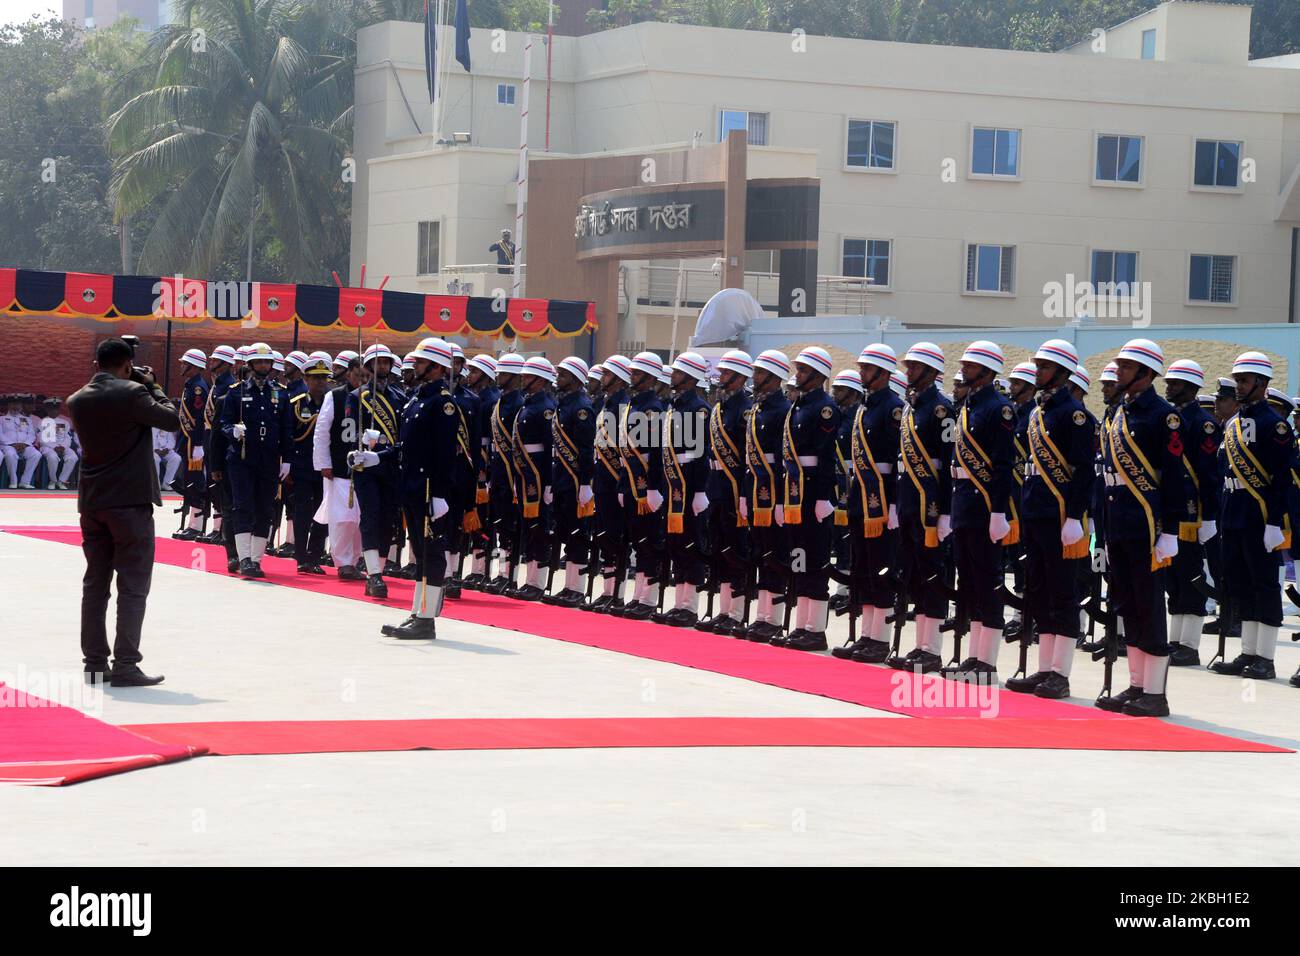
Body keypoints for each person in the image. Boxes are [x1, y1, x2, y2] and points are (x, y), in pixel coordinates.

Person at [66, 337, 180, 687]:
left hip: (93, 502)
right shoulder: (133, 394)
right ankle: (127, 663)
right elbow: (173, 420)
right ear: (128, 365)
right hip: (129, 504)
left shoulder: (77, 400)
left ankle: (95, 663)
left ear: (97, 364)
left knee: (95, 584)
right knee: (132, 585)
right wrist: (153, 386)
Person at [1096, 339, 1190, 717]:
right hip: (1119, 522)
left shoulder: (1161, 416)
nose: (1117, 371)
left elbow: (1173, 478)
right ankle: (1136, 684)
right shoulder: (1120, 411)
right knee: (1127, 603)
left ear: (1146, 373)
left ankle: (1155, 692)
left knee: (1149, 605)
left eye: (1125, 366)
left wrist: (1170, 530)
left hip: (1148, 526)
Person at [1210, 351, 1292, 682]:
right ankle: (1248, 651)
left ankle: (1266, 657)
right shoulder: (1233, 425)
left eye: (1245, 381)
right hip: (1233, 516)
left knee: (1264, 586)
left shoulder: (1275, 425)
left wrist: (1275, 522)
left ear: (1262, 383)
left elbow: (1281, 479)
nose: (1239, 386)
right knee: (1240, 585)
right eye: (1238, 380)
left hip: (1259, 519)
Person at [381, 338, 460, 639]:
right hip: (412, 487)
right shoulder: (417, 400)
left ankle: (427, 620)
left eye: (420, 362)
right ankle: (417, 612)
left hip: (429, 488)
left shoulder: (443, 404)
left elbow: (444, 453)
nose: (413, 365)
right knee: (419, 550)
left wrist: (439, 493)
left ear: (436, 368)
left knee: (431, 552)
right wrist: (378, 455)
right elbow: (407, 447)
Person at [946, 341, 1016, 681]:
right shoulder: (968, 406)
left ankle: (986, 662)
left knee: (988, 583)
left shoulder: (997, 409)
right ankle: (973, 658)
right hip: (964, 505)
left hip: (985, 507)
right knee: (969, 583)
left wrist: (998, 512)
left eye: (970, 366)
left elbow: (1002, 466)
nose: (964, 370)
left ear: (987, 371)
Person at [834, 344, 904, 664]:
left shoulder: (892, 408)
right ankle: (865, 635)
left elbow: (897, 461)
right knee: (862, 568)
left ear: (883, 373)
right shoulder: (864, 406)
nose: (861, 372)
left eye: (866, 368)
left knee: (880, 569)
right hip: (861, 498)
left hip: (882, 499)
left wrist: (893, 505)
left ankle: (880, 639)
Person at [886, 342, 955, 671]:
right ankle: (919, 646)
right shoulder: (911, 407)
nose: (908, 371)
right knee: (913, 575)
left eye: (914, 366)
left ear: (931, 372)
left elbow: (947, 462)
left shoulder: (942, 410)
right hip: (910, 502)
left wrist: (946, 510)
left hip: (931, 505)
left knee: (932, 577)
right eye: (908, 365)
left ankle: (932, 649)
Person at [770, 346, 841, 651]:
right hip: (795, 492)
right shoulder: (798, 406)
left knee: (816, 561)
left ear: (817, 375)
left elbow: (827, 458)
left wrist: (824, 497)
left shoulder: (825, 408)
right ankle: (802, 625)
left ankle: (816, 629)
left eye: (802, 370)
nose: (797, 375)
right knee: (798, 559)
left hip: (814, 492)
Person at [1162, 360, 1222, 666]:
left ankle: (1190, 644)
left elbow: (1209, 475)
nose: (1168, 386)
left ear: (1191, 386)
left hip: (1193, 512)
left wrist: (1209, 516)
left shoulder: (1203, 423)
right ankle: (1176, 640)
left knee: (1192, 576)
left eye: (1175, 382)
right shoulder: (1169, 417)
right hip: (1171, 509)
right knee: (1173, 578)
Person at [220, 341, 294, 577]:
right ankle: (243, 558)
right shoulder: (236, 391)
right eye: (259, 362)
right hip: (242, 458)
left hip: (269, 458)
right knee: (243, 506)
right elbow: (223, 424)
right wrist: (233, 431)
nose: (263, 365)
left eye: (267, 362)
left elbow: (286, 428)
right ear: (250, 364)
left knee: (265, 508)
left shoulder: (281, 393)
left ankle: (256, 558)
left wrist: (287, 459)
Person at [654, 351, 712, 626]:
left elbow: (700, 453)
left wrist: (700, 490)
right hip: (672, 481)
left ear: (690, 377)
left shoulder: (697, 408)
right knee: (676, 544)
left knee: (690, 542)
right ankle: (680, 602)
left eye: (677, 372)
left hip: (689, 482)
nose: (672, 376)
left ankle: (689, 606)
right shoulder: (674, 406)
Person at [741, 350, 793, 641]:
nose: (755, 377)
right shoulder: (758, 409)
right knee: (761, 553)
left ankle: (773, 618)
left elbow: (787, 460)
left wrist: (783, 501)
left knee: (775, 554)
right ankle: (762, 616)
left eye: (760, 373)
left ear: (774, 377)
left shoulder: (783, 409)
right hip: (756, 491)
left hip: (774, 492)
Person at [613, 352, 669, 620]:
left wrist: (654, 487)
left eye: (636, 373)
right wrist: (624, 486)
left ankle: (648, 598)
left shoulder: (654, 408)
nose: (631, 377)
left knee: (649, 542)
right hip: (632, 483)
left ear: (649, 378)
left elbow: (657, 452)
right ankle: (638, 596)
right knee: (638, 540)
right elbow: (625, 453)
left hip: (647, 484)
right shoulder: (633, 407)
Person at [349, 343, 407, 597]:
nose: (383, 366)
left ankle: (380, 570)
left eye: (386, 362)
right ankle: (373, 575)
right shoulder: (357, 396)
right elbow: (349, 432)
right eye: (378, 362)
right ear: (369, 366)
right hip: (366, 468)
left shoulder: (400, 397)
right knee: (370, 517)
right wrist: (361, 444)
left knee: (387, 520)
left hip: (390, 465)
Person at [544, 356, 597, 608]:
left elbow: (586, 450)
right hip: (562, 478)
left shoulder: (582, 407)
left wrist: (585, 483)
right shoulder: (563, 404)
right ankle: (567, 586)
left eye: (563, 375)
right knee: (565, 530)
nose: (558, 379)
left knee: (577, 534)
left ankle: (575, 589)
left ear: (575, 379)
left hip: (576, 481)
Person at [507, 357, 559, 600]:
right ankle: (529, 579)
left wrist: (548, 482)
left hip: (538, 474)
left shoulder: (546, 407)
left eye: (528, 377)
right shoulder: (529, 404)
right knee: (527, 526)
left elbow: (551, 449)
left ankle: (537, 583)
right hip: (525, 472)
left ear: (541, 381)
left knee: (539, 526)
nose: (524, 380)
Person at [587, 356, 634, 612]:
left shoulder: (624, 407)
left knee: (617, 538)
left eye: (606, 374)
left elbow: (629, 450)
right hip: (602, 480)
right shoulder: (605, 405)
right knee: (605, 536)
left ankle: (616, 592)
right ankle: (607, 591)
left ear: (618, 378)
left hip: (616, 481)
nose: (602, 378)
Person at [313, 355, 366, 579]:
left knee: (361, 518)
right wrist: (323, 462)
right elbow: (322, 431)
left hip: (367, 467)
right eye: (358, 375)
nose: (362, 379)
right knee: (342, 517)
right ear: (348, 373)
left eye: (366, 376)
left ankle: (356, 559)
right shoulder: (334, 397)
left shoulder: (374, 398)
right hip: (339, 466)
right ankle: (343, 562)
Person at [483, 353, 527, 594]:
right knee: (500, 524)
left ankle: (509, 574)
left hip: (513, 474)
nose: (497, 376)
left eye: (502, 372)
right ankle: (501, 572)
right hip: (499, 472)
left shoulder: (519, 403)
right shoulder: (501, 401)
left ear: (513, 376)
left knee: (511, 526)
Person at [289, 360, 333, 574]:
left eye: (324, 377)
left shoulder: (332, 402)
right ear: (306, 379)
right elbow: (288, 437)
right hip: (302, 467)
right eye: (316, 377)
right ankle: (301, 556)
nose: (320, 382)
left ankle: (315, 555)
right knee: (303, 513)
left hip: (325, 467)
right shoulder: (296, 404)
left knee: (322, 514)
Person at [461, 354, 500, 588]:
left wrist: (484, 468)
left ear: (485, 375)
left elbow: (490, 439)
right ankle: (477, 569)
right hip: (479, 457)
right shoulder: (480, 397)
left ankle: (482, 569)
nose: (470, 375)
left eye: (474, 372)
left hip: (486, 463)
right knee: (477, 519)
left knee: (484, 520)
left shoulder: (489, 400)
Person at [171, 348, 209, 539]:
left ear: (194, 366)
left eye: (185, 363)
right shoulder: (191, 385)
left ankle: (196, 525)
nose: (182, 365)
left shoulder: (198, 388)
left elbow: (200, 418)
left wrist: (198, 444)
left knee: (195, 481)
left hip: (193, 443)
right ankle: (192, 523)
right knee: (189, 480)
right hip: (188, 441)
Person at [38, 397, 78, 490]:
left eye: (56, 408)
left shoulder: (65, 422)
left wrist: (63, 446)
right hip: (47, 446)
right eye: (51, 408)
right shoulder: (42, 422)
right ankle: (53, 481)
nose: (54, 411)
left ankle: (61, 481)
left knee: (73, 457)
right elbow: (42, 438)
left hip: (63, 446)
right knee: (52, 457)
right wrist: (55, 447)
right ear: (47, 409)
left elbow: (68, 437)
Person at [1, 395, 41, 488]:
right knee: (11, 455)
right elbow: (0, 434)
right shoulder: (1, 419)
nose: (16, 407)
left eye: (18, 404)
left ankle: (25, 481)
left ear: (21, 405)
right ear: (9, 405)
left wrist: (25, 444)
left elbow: (31, 434)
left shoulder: (27, 419)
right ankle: (13, 481)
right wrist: (13, 444)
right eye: (13, 404)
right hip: (8, 445)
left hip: (24, 446)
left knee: (36, 454)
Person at [153, 425, 183, 490]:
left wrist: (167, 449)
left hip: (165, 451)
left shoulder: (167, 427)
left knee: (176, 458)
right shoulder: (152, 427)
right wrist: (156, 450)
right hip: (154, 451)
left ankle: (166, 483)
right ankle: (156, 484)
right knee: (155, 459)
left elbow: (171, 441)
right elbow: (150, 441)